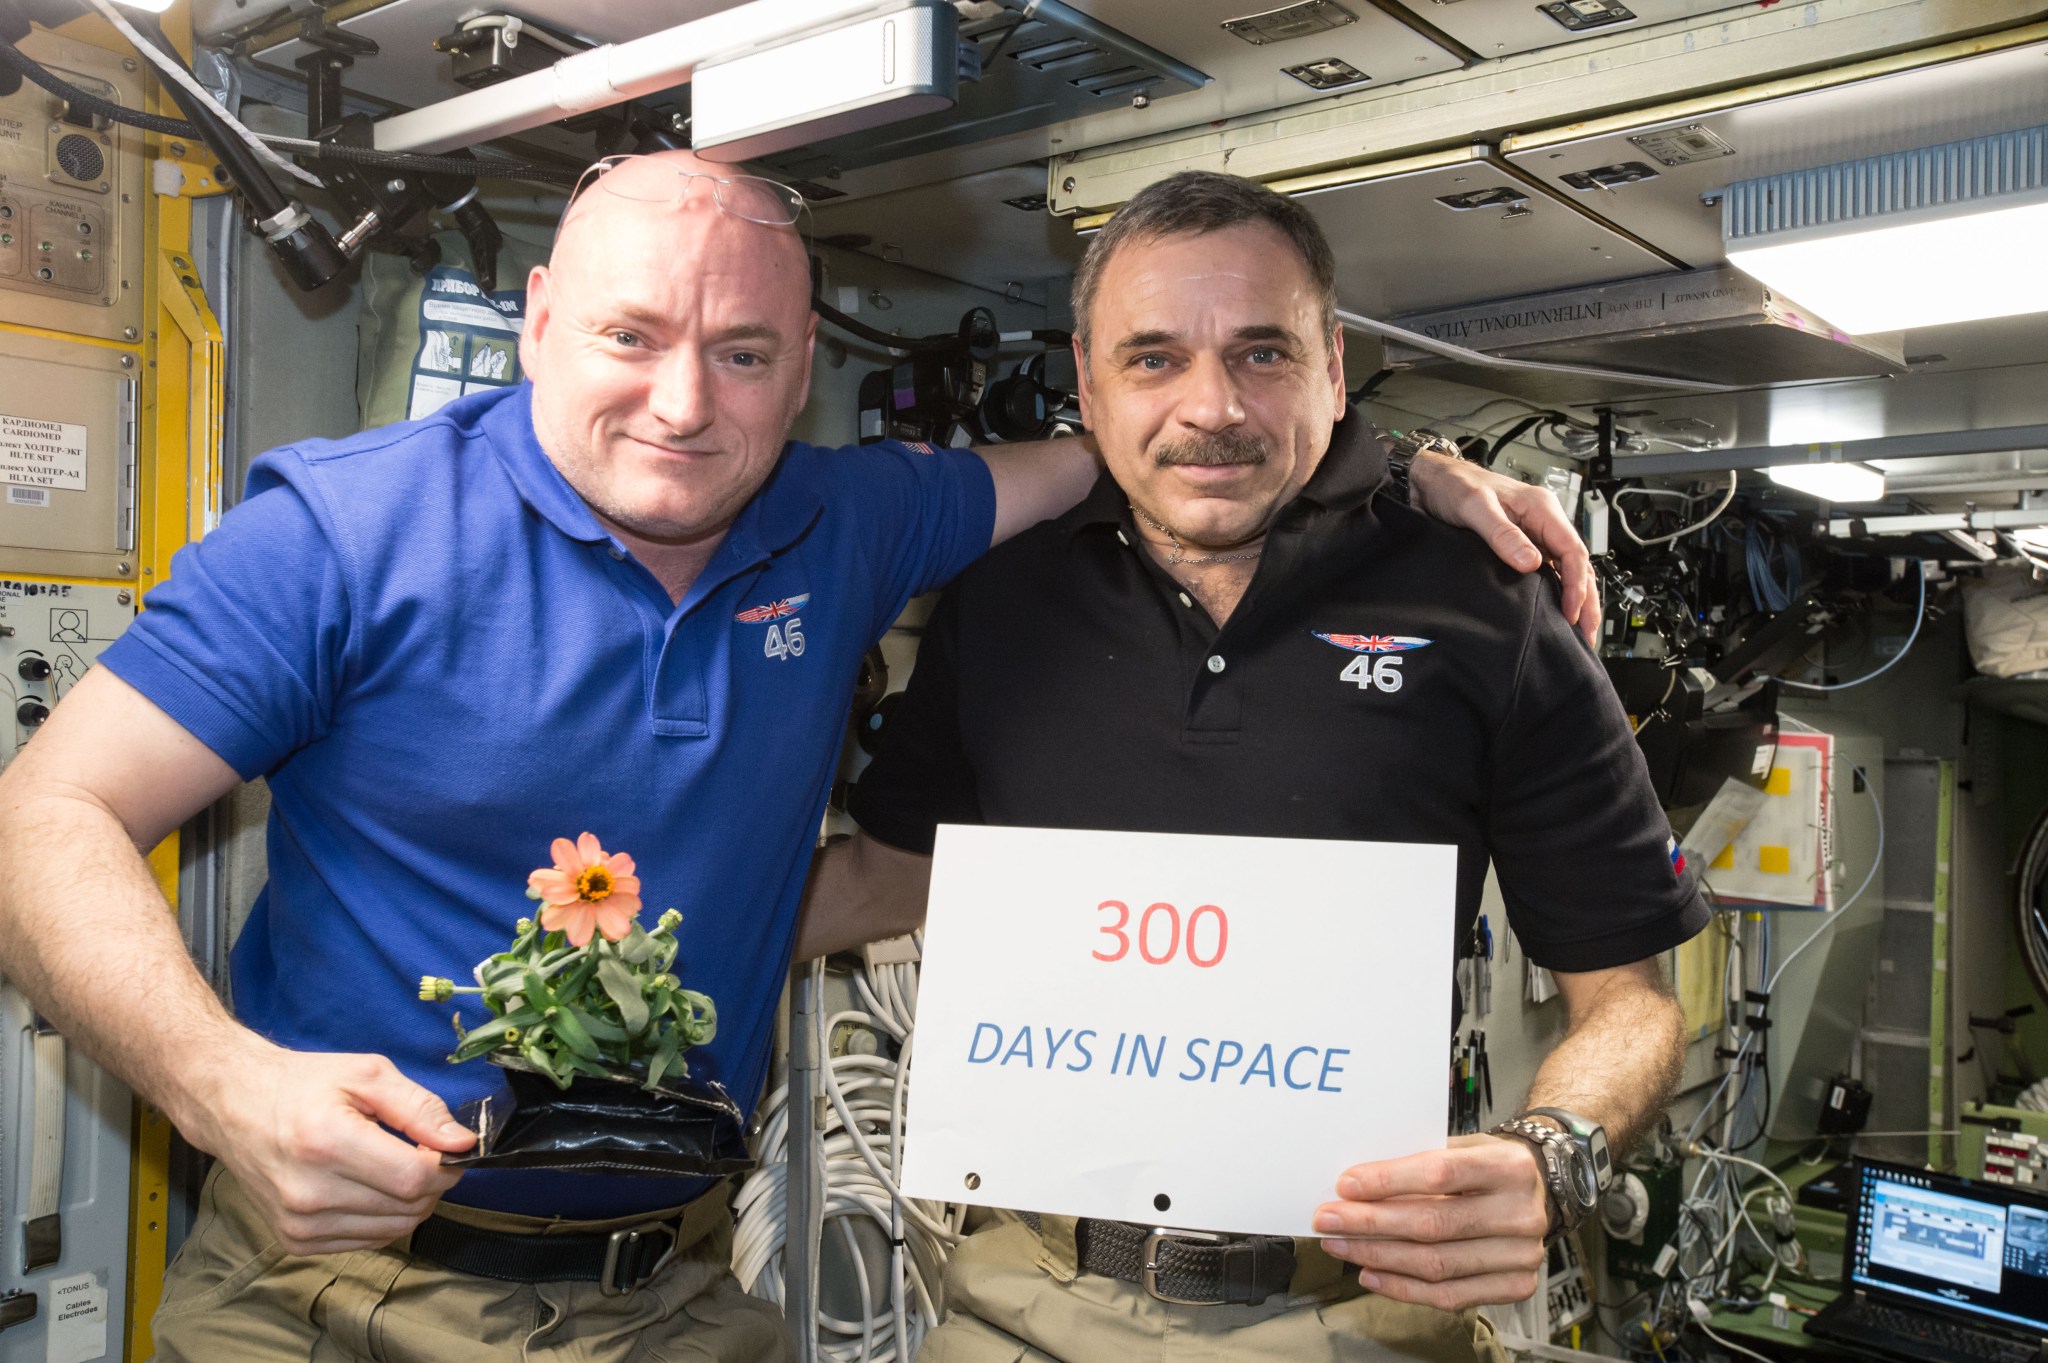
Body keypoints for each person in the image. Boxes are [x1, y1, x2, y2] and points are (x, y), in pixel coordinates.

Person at [0, 152, 1592, 1363]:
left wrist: (1392, 472)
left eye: (748, 355)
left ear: (804, 363)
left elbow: (1142, 453)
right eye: (631, 334)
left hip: (679, 1290)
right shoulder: (343, 534)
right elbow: (46, 813)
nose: (685, 404)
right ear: (539, 320)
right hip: (328, 1295)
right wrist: (220, 1084)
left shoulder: (839, 520)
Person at [802, 170, 1708, 1363]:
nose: (1210, 405)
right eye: (1153, 358)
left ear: (1332, 365)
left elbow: (1630, 999)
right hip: (1017, 1297)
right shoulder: (1002, 600)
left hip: (1355, 1306)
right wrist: (591, 929)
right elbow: (887, 874)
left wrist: (1550, 1153)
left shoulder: (1487, 608)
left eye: (1262, 354)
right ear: (1087, 382)